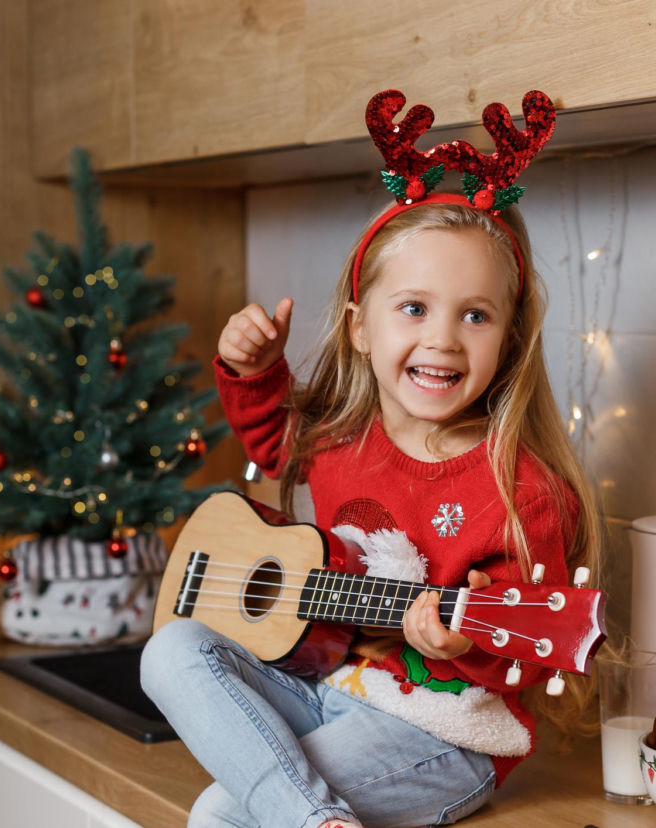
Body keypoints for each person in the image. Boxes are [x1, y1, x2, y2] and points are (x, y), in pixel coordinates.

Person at [141, 91, 604, 828]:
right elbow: (273, 440)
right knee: (169, 649)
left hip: (442, 737)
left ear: (509, 342)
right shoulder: (344, 437)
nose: (443, 339)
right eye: (414, 308)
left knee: (225, 814)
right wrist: (254, 368)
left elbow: (523, 653)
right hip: (327, 686)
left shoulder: (523, 490)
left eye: (474, 315)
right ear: (360, 328)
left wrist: (461, 643)